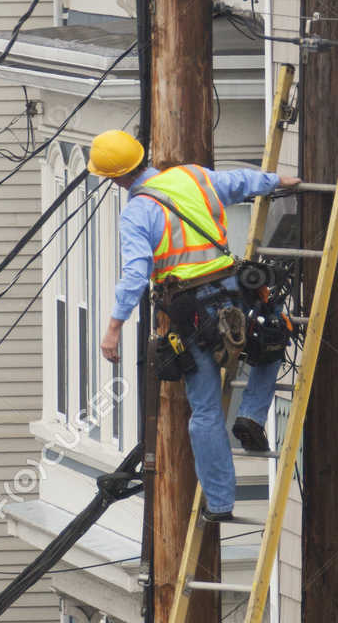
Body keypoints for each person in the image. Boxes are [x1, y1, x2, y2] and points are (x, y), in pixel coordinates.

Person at [89, 128, 299, 524]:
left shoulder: (137, 213)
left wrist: (114, 326)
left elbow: (136, 274)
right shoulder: (192, 176)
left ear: (114, 177)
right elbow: (240, 183)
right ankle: (253, 414)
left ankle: (219, 504)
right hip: (234, 290)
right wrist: (280, 182)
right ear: (142, 156)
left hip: (191, 307)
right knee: (272, 342)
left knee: (204, 410)